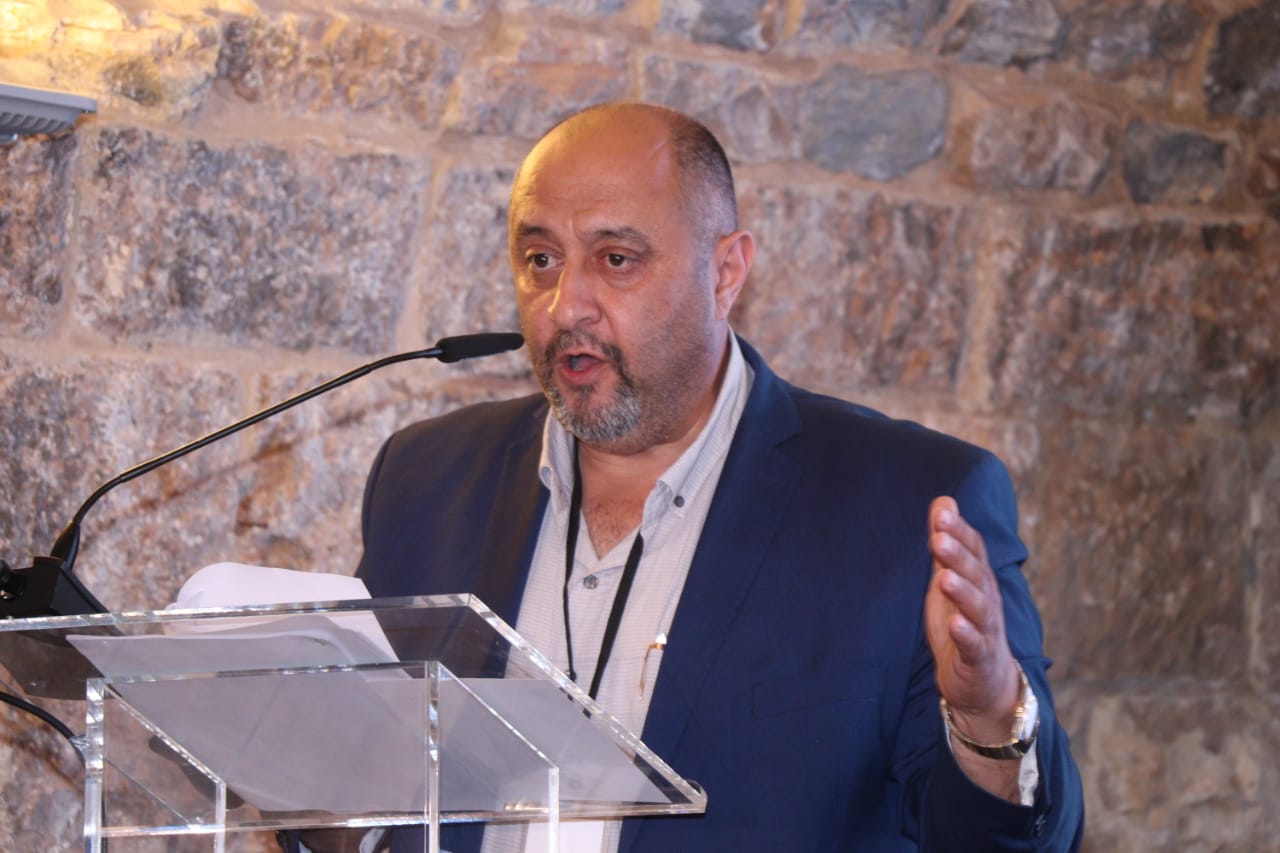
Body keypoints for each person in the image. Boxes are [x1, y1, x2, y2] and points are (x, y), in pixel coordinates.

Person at [347, 102, 1084, 851]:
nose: (566, 306)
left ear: (725, 272)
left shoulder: (910, 507)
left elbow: (1011, 843)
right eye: (541, 259)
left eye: (616, 259)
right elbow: (358, 787)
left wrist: (989, 720)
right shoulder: (423, 480)